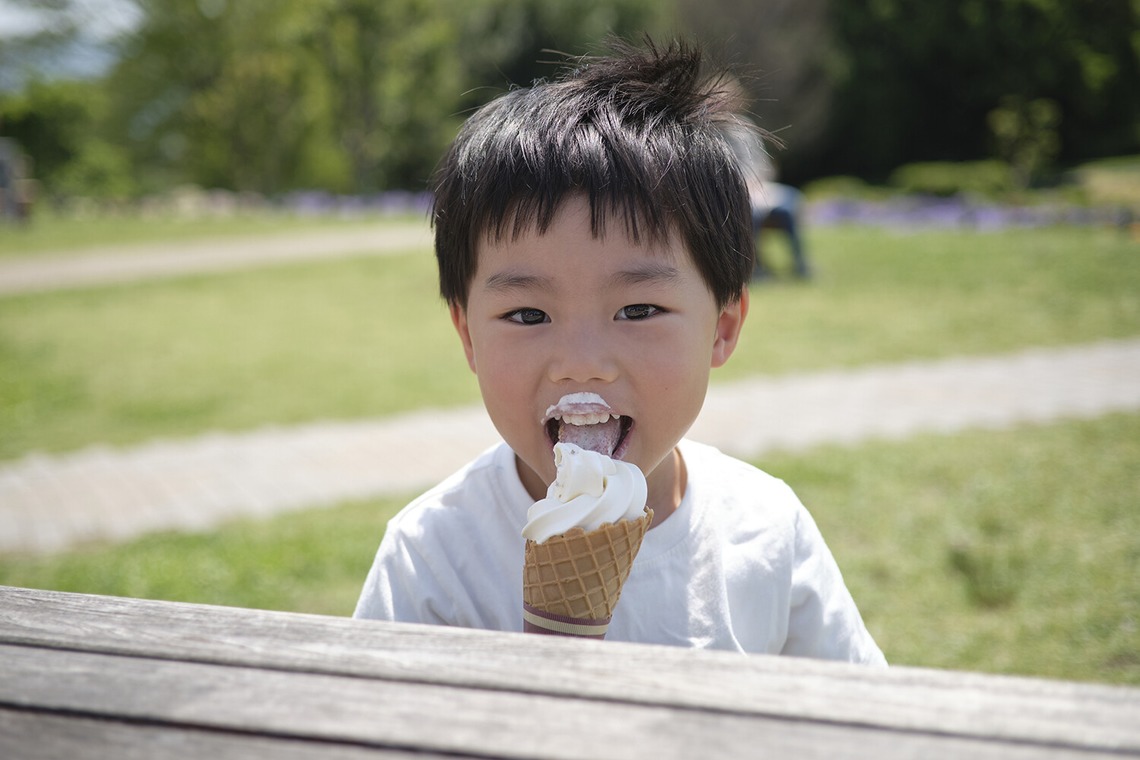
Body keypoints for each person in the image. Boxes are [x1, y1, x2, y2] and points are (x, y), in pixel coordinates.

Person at [354, 38, 885, 665]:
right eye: (527, 314)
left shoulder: (766, 534)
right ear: (468, 335)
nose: (582, 362)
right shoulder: (433, 557)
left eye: (637, 310)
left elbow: (857, 713)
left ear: (722, 328)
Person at [723, 121, 811, 279]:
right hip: (735, 192)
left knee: (790, 203)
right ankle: (755, 266)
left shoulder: (744, 127)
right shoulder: (712, 131)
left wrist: (757, 179)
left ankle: (800, 263)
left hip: (759, 186)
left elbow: (764, 164)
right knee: (753, 213)